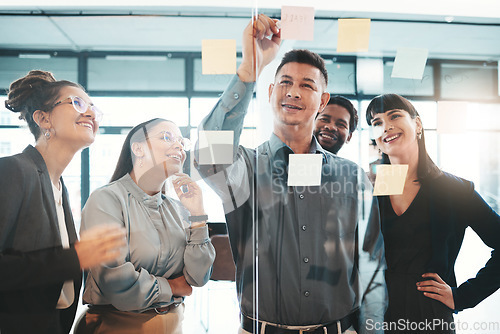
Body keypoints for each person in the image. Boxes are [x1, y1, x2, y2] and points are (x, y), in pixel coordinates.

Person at [195, 15, 386, 334]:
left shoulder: (350, 176)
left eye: (306, 85)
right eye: (285, 83)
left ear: (322, 100)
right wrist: (249, 69)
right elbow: (208, 154)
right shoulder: (246, 169)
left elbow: (370, 264)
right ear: (270, 92)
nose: (294, 93)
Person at [0, 70, 126, 334]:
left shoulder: (59, 187)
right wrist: (75, 258)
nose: (91, 114)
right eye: (78, 103)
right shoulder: (13, 171)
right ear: (43, 119)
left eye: (93, 108)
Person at [365, 94, 500, 333]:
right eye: (377, 122)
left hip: (430, 315)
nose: (386, 126)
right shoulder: (370, 189)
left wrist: (462, 297)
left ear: (417, 125)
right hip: (375, 315)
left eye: (394, 116)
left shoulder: (453, 189)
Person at [79, 118, 215, 334]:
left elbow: (198, 277)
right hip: (118, 327)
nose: (179, 146)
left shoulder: (178, 209)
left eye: (182, 141)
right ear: (138, 148)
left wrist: (197, 214)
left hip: (173, 326)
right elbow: (115, 281)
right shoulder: (105, 199)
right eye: (167, 137)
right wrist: (171, 286)